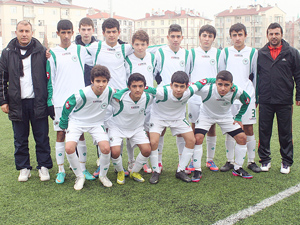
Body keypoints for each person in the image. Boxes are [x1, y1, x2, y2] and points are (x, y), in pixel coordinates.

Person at [0, 20, 52, 182]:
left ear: (32, 32)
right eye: (21, 31)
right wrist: (3, 100)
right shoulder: (7, 52)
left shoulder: (41, 51)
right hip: (17, 102)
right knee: (20, 138)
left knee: (41, 137)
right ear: (16, 32)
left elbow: (50, 76)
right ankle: (24, 168)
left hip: (38, 101)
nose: (24, 34)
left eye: (27, 31)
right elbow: (2, 77)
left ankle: (43, 167)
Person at [145, 71, 214, 184]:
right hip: (158, 118)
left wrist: (221, 82)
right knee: (153, 142)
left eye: (182, 87)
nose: (178, 89)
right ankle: (155, 171)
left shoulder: (191, 90)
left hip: (178, 119)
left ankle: (180, 170)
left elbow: (205, 81)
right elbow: (145, 88)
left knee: (192, 140)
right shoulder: (162, 92)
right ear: (171, 85)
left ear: (187, 86)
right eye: (176, 86)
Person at [47, 19, 94, 184]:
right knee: (61, 134)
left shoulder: (80, 50)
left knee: (80, 135)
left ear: (73, 33)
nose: (66, 36)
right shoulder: (51, 53)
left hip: (79, 101)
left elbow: (101, 53)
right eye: (63, 33)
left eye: (69, 32)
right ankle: (61, 170)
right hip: (60, 102)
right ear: (58, 33)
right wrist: (49, 102)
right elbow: (49, 79)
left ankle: (83, 168)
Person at [87, 18, 133, 178]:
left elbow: (147, 47)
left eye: (114, 32)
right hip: (102, 96)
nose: (112, 35)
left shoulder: (125, 48)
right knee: (102, 131)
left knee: (119, 130)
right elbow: (77, 52)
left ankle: (118, 164)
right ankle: (102, 163)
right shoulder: (96, 47)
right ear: (103, 33)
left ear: (119, 32)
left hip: (120, 98)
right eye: (108, 32)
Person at [59, 65, 115, 190]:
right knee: (69, 148)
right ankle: (80, 176)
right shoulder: (82, 94)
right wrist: (63, 123)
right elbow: (67, 105)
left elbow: (120, 94)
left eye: (104, 81)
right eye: (98, 81)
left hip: (96, 123)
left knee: (106, 149)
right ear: (92, 81)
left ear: (107, 81)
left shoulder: (110, 91)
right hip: (77, 122)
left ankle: (103, 176)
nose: (101, 84)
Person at [193, 70, 253, 181]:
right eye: (220, 84)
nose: (223, 88)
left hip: (225, 117)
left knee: (242, 138)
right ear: (216, 83)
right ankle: (197, 170)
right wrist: (206, 80)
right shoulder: (207, 90)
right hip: (206, 116)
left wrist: (239, 116)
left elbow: (247, 100)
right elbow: (190, 87)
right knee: (197, 138)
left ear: (231, 85)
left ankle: (238, 168)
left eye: (226, 85)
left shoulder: (236, 91)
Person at [257, 22, 300, 174]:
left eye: (277, 33)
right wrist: (256, 97)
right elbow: (255, 77)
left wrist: (298, 94)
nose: (274, 36)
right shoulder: (260, 54)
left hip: (284, 100)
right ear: (267, 35)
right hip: (265, 100)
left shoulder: (292, 53)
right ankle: (265, 160)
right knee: (264, 131)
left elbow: (298, 76)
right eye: (271, 34)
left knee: (285, 133)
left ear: (282, 35)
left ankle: (286, 162)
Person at [219, 23, 261, 173]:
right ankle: (230, 160)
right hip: (230, 97)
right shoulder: (225, 52)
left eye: (240, 35)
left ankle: (251, 161)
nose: (237, 38)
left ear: (245, 35)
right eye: (234, 35)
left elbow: (255, 76)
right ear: (230, 37)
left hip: (247, 96)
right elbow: (221, 74)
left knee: (249, 127)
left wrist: (255, 97)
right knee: (231, 128)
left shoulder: (252, 52)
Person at [154, 24, 190, 173]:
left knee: (181, 130)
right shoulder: (160, 52)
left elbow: (188, 74)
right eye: (172, 36)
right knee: (160, 131)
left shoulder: (187, 54)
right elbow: (155, 73)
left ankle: (182, 163)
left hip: (180, 96)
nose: (175, 40)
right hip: (163, 97)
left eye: (178, 36)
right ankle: (159, 162)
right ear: (168, 37)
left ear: (182, 37)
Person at [108, 73, 153, 184]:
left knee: (147, 150)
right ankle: (120, 171)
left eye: (140, 86)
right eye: (134, 86)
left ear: (144, 87)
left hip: (137, 128)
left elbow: (160, 92)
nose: (137, 89)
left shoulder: (148, 97)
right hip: (117, 128)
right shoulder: (118, 99)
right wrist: (120, 92)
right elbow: (106, 92)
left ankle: (134, 171)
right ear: (129, 87)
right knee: (115, 152)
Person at [188, 24, 220, 172]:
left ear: (213, 38)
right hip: (195, 97)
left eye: (210, 36)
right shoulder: (192, 53)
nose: (207, 39)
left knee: (211, 127)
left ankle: (210, 160)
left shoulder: (218, 53)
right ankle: (193, 161)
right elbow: (187, 73)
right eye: (204, 35)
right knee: (194, 128)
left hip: (212, 97)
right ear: (200, 37)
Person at [124, 30, 156, 174]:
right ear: (132, 45)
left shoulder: (153, 57)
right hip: (133, 101)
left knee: (147, 131)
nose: (140, 47)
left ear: (147, 44)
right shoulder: (128, 59)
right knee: (130, 132)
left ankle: (143, 161)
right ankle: (131, 161)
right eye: (137, 44)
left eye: (143, 44)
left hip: (148, 101)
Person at [74, 17, 97, 86]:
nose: (86, 33)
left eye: (89, 29)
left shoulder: (99, 46)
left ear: (93, 30)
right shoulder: (73, 47)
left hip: (95, 86)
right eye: (83, 30)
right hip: (78, 85)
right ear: (79, 30)